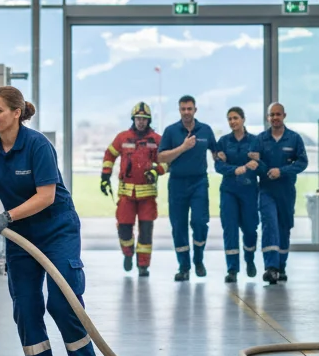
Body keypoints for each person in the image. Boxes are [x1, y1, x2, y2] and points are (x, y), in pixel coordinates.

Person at [0, 86, 100, 356]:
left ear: (17, 113)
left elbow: (46, 196)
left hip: (57, 229)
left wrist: (6, 216)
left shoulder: (38, 145)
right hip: (20, 234)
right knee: (25, 307)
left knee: (62, 301)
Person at [100, 101, 165, 277]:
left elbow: (166, 162)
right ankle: (128, 254)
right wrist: (105, 176)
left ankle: (143, 266)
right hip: (126, 194)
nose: (141, 122)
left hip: (147, 196)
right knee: (124, 229)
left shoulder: (157, 140)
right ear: (133, 119)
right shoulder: (123, 137)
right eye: (138, 118)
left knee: (145, 233)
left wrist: (156, 170)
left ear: (148, 120)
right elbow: (110, 154)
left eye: (144, 119)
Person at [157, 95, 218, 281]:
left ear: (195, 110)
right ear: (179, 110)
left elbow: (217, 152)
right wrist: (182, 147)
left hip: (199, 182)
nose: (186, 112)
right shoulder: (171, 131)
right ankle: (184, 266)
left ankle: (198, 260)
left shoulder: (205, 130)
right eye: (183, 109)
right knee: (178, 226)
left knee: (200, 222)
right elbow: (161, 158)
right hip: (177, 183)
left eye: (189, 109)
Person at [255, 102, 308, 284]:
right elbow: (255, 161)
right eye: (272, 115)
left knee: (284, 227)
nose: (275, 118)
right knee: (269, 224)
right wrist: (267, 170)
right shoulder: (261, 139)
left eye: (278, 114)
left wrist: (282, 171)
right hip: (267, 190)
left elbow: (302, 162)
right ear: (267, 117)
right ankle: (271, 267)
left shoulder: (294, 139)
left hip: (286, 190)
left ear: (284, 115)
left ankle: (281, 266)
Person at [214, 107, 261, 283]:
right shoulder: (223, 142)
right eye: (229, 119)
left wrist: (257, 161)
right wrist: (236, 169)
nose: (232, 121)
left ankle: (249, 259)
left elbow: (261, 165)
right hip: (229, 191)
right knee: (230, 228)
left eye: (235, 118)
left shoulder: (255, 141)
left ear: (243, 119)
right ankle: (232, 269)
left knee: (250, 229)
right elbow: (218, 166)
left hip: (249, 190)